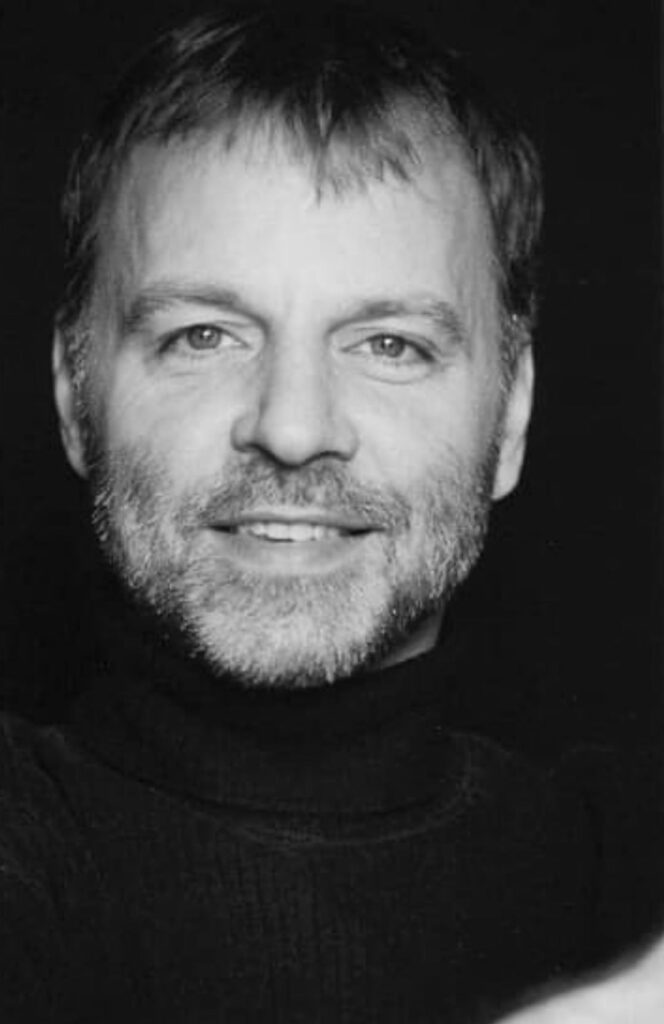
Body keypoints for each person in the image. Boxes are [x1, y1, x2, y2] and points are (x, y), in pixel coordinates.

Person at [0, 1, 644, 1020]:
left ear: (512, 415)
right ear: (76, 398)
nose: (294, 428)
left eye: (391, 344)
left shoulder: (628, 873)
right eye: (204, 335)